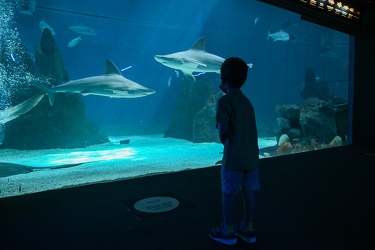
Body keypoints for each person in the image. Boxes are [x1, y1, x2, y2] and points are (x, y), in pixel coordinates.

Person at [209, 57, 260, 245]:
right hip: (252, 157)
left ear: (222, 79)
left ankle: (228, 231)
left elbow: (223, 131)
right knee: (249, 192)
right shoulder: (247, 102)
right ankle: (248, 228)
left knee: (228, 193)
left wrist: (225, 140)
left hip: (233, 156)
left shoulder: (224, 102)